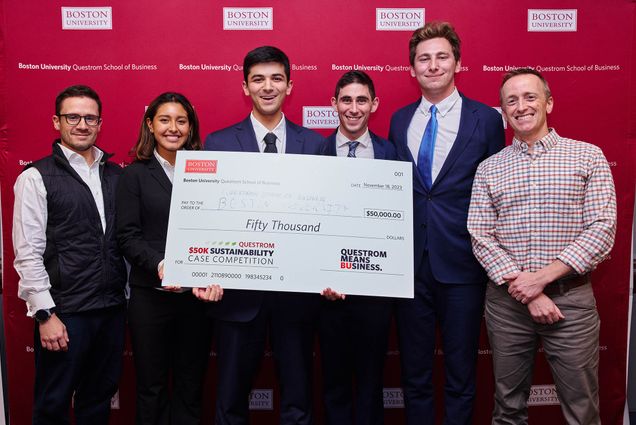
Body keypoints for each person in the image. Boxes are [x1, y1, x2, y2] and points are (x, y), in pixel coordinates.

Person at [467, 68, 616, 424]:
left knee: (582, 409)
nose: (521, 106)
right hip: (508, 305)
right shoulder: (489, 168)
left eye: (530, 97)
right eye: (511, 101)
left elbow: (602, 229)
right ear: (503, 112)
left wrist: (542, 279)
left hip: (571, 303)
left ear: (548, 102)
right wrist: (530, 292)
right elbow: (480, 235)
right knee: (507, 407)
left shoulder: (588, 157)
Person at [198, 45, 324, 425]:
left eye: (276, 78)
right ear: (245, 87)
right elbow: (207, 215)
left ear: (289, 85)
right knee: (230, 401)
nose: (267, 86)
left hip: (297, 295)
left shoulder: (316, 144)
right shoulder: (218, 143)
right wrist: (206, 269)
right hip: (237, 295)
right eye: (258, 79)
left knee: (298, 401)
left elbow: (327, 220)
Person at [387, 22, 505, 424]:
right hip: (409, 269)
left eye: (441, 56)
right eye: (424, 58)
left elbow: (496, 189)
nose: (433, 65)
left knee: (460, 374)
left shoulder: (486, 120)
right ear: (412, 69)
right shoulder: (399, 120)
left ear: (457, 63)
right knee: (414, 374)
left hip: (464, 265)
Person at [13, 85, 127, 424]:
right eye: (72, 117)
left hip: (110, 309)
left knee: (98, 400)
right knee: (53, 404)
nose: (81, 124)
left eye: (89, 117)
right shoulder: (36, 177)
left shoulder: (116, 175)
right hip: (65, 314)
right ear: (56, 122)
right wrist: (45, 314)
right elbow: (27, 252)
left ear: (100, 123)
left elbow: (124, 242)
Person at [116, 92, 221, 425]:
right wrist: (162, 266)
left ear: (191, 128)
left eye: (181, 121)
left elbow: (218, 230)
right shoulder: (133, 175)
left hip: (196, 299)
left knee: (191, 386)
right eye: (164, 120)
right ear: (150, 124)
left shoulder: (209, 172)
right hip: (150, 298)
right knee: (151, 387)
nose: (173, 128)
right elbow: (127, 237)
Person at [319, 70, 396, 425]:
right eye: (346, 100)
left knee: (370, 383)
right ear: (334, 104)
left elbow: (398, 221)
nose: (353, 108)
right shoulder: (312, 151)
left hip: (375, 293)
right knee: (333, 384)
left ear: (374, 105)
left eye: (361, 100)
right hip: (325, 293)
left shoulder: (392, 154)